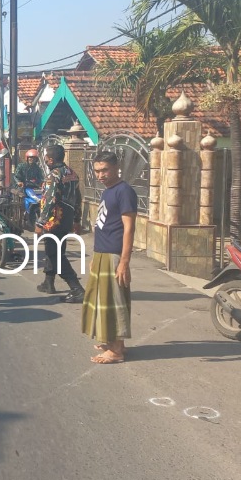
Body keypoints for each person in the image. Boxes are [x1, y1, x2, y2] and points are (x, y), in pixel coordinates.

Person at [83, 152, 137, 364]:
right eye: (97, 171)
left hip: (114, 254)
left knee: (114, 302)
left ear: (116, 167)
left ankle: (115, 351)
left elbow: (129, 229)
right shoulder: (108, 192)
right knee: (102, 300)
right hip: (102, 253)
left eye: (104, 170)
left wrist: (124, 261)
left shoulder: (124, 191)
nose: (100, 175)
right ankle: (115, 343)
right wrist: (96, 255)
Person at [35, 144, 84, 303]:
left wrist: (40, 222)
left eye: (46, 158)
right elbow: (78, 197)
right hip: (68, 218)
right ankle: (48, 283)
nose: (45, 161)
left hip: (55, 219)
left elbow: (49, 201)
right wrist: (77, 219)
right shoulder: (72, 173)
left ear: (50, 159)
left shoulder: (53, 176)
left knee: (54, 254)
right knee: (56, 250)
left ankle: (76, 288)